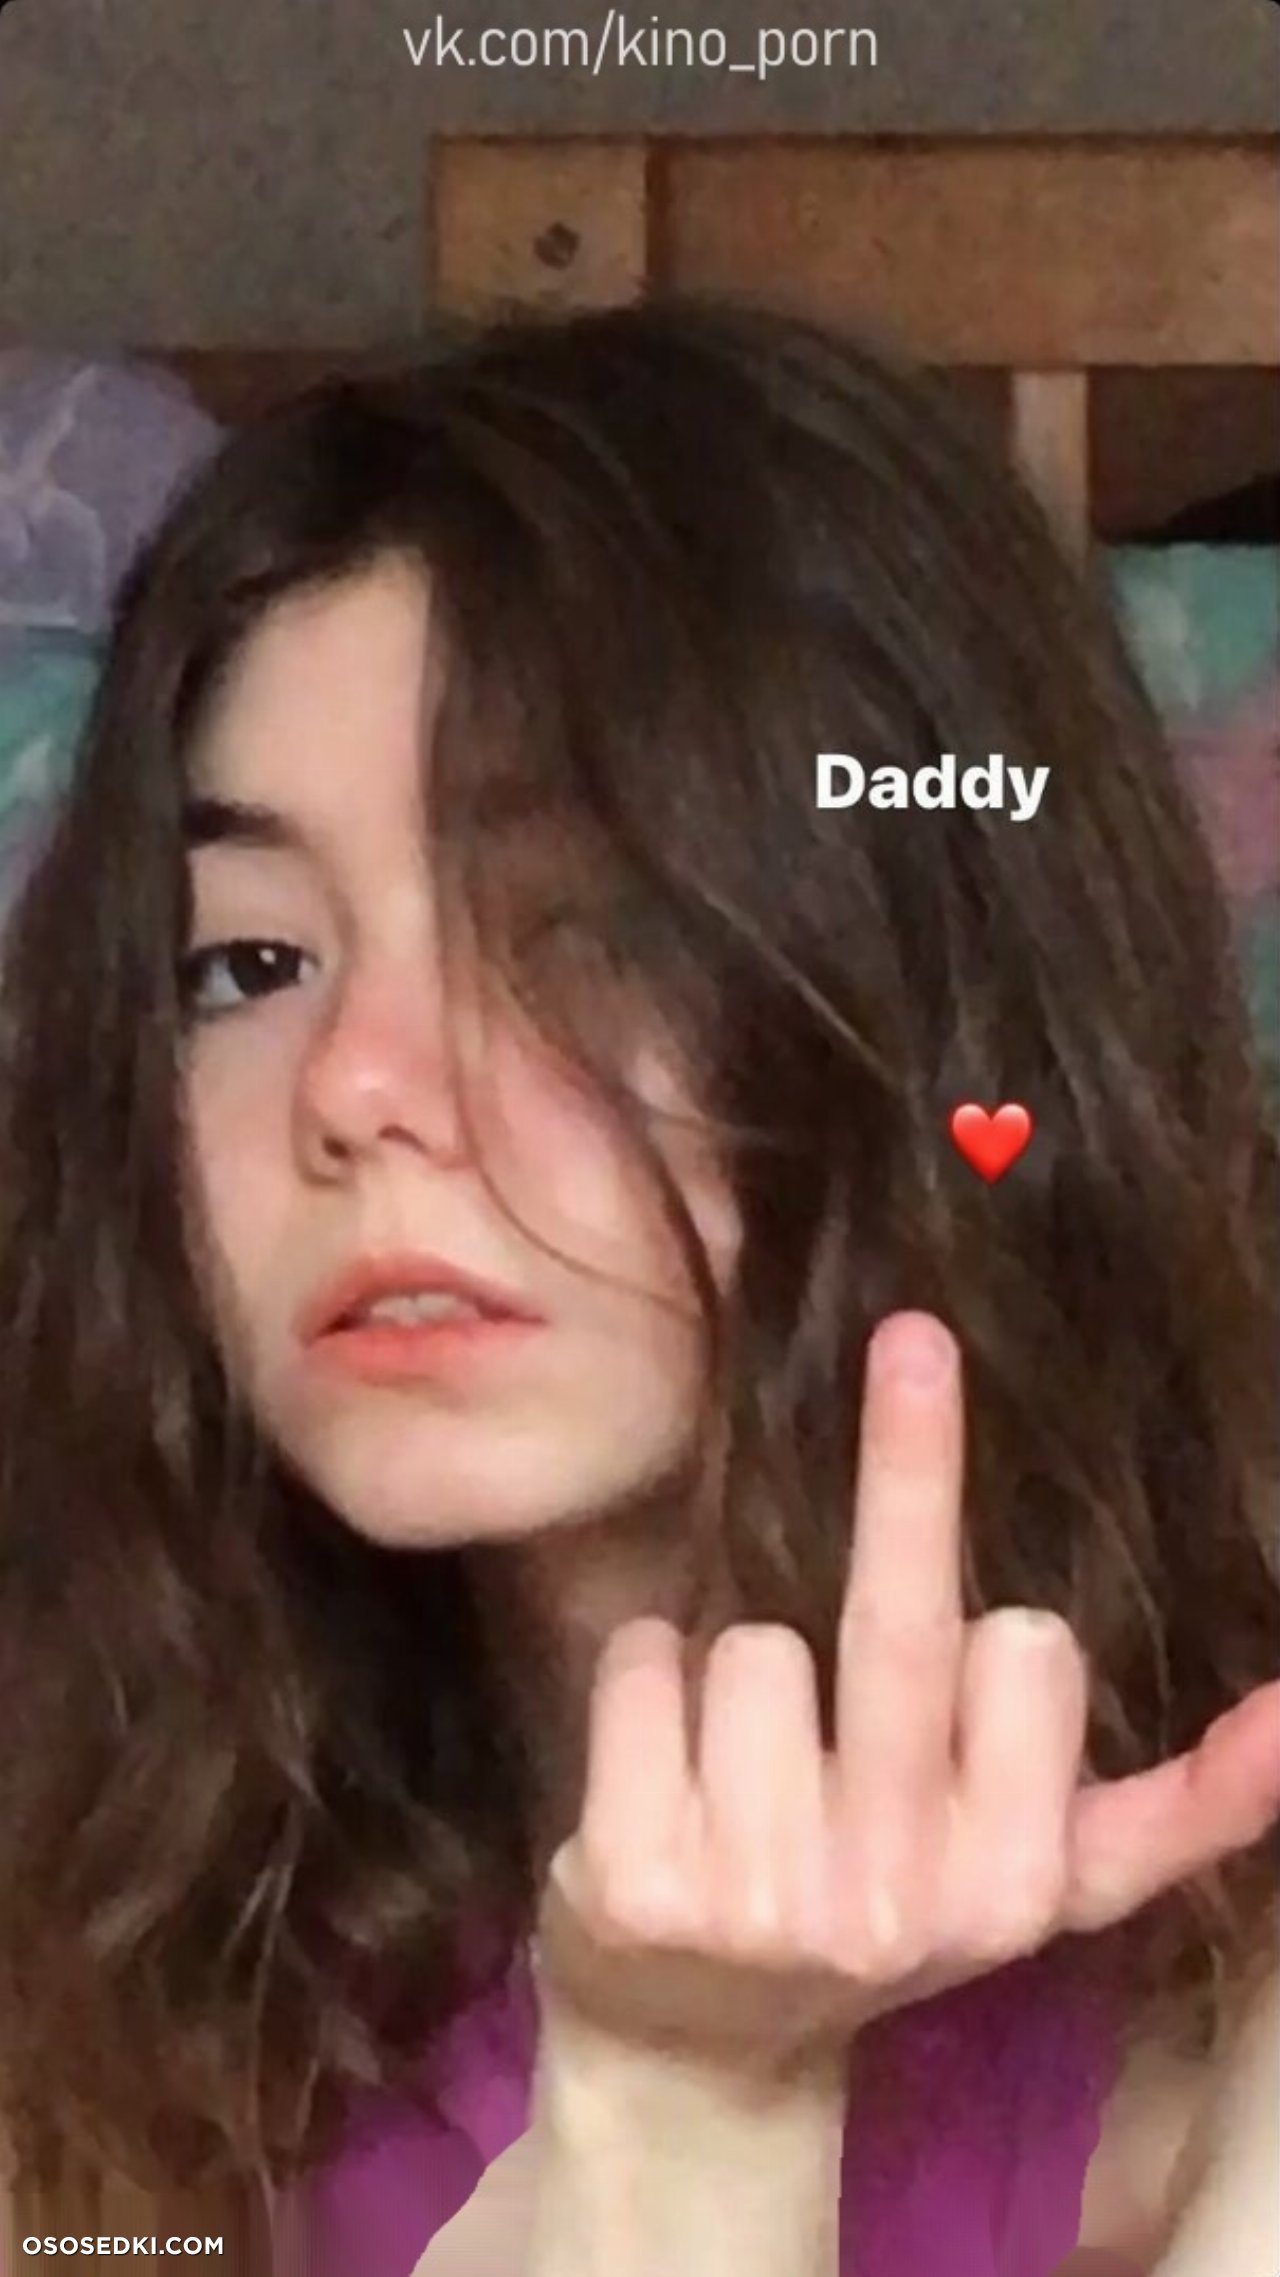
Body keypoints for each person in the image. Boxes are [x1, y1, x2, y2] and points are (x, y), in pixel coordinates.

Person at [0, 295, 1276, 2277]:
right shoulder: (89, 1922)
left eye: (579, 933)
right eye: (249, 962)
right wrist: (669, 2115)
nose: (355, 1089)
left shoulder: (1233, 2025)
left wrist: (695, 2117)